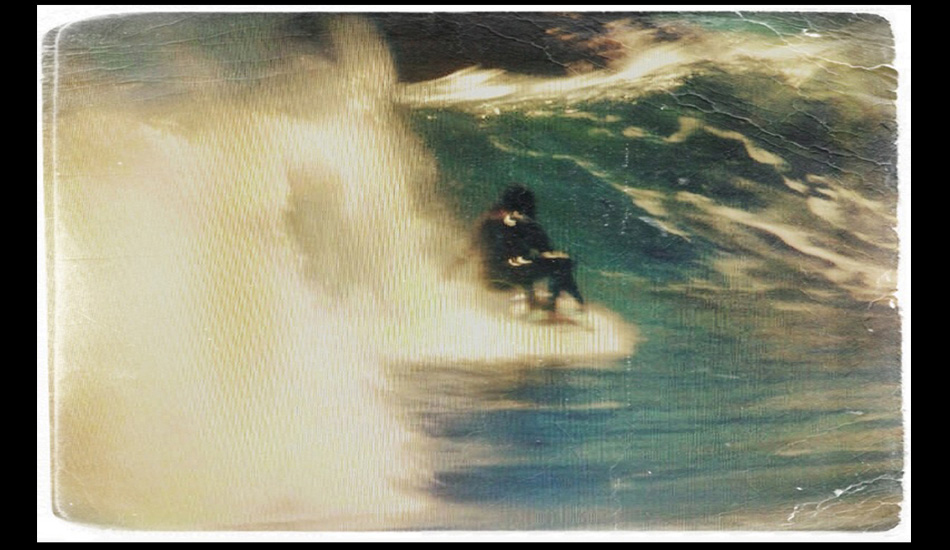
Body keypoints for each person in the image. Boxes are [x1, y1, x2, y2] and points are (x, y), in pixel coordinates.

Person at [473, 185, 584, 314]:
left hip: (489, 280)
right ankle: (551, 307)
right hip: (510, 278)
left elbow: (470, 251)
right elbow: (547, 254)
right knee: (561, 262)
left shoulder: (487, 222)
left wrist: (448, 276)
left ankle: (532, 300)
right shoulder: (526, 224)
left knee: (518, 259)